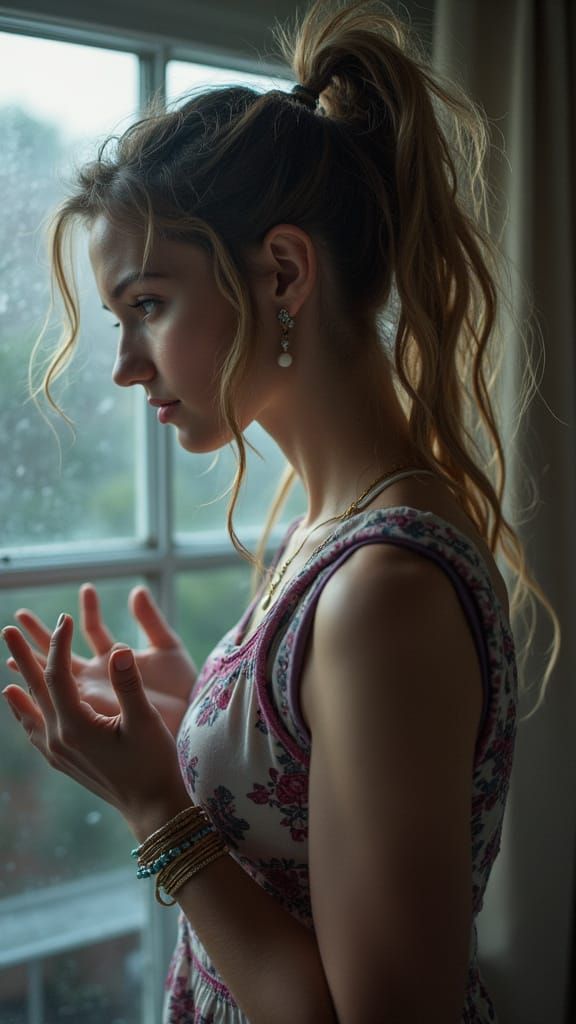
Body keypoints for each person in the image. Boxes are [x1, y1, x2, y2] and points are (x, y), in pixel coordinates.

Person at [1, 1, 560, 1021]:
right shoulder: (333, 529)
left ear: (285, 273)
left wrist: (155, 804)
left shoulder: (385, 589)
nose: (125, 366)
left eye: (148, 305)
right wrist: (207, 729)